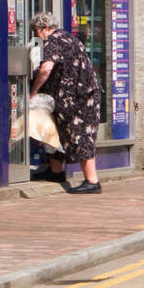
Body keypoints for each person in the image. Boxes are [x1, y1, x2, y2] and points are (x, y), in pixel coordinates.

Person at [29, 11, 104, 192]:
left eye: (37, 31)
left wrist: (34, 90)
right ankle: (56, 171)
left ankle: (92, 181)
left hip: (78, 98)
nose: (37, 35)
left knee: (80, 135)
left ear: (45, 28)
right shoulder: (69, 38)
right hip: (79, 95)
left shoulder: (53, 41)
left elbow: (47, 68)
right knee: (57, 131)